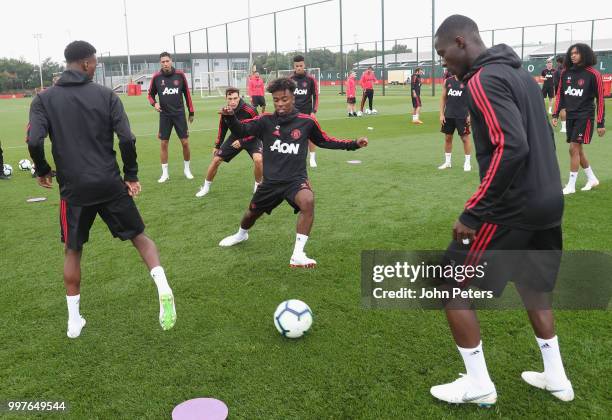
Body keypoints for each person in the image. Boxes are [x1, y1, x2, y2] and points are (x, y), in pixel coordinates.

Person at [432, 15, 573, 406]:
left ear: (461, 42)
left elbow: (511, 147)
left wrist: (474, 212)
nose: (444, 63)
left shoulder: (483, 79)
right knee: (533, 287)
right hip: (547, 201)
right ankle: (557, 378)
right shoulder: (520, 76)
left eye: (444, 54)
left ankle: (479, 385)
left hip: (512, 206)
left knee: (452, 283)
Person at [27, 41, 176, 339]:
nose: (95, 67)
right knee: (140, 238)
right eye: (94, 62)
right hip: (109, 183)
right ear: (84, 63)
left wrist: (42, 170)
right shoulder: (106, 95)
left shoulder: (44, 100)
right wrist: (130, 175)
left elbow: (34, 141)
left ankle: (73, 322)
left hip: (74, 190)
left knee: (73, 250)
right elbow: (127, 139)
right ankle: (162, 286)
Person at [217, 77, 368, 267]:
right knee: (250, 214)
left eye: (284, 99)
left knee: (308, 201)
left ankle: (297, 254)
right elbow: (242, 130)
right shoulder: (265, 121)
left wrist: (353, 144)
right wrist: (230, 117)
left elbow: (324, 140)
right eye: (276, 100)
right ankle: (241, 235)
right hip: (270, 183)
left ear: (293, 97)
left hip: (295, 181)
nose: (280, 104)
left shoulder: (306, 122)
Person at [553, 43, 606, 195]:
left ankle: (571, 185)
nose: (573, 55)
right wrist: (556, 114)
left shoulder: (593, 74)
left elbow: (600, 100)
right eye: (571, 53)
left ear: (585, 55)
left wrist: (600, 123)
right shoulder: (565, 73)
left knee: (573, 148)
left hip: (585, 116)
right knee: (578, 149)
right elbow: (560, 95)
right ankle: (592, 178)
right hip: (570, 115)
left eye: (576, 53)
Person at [196, 87, 263, 197]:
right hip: (235, 138)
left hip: (252, 138)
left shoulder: (250, 110)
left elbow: (259, 129)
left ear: (239, 97)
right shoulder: (225, 110)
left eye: (235, 98)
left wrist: (242, 141)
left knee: (258, 160)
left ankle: (258, 187)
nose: (232, 101)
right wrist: (217, 145)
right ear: (226, 98)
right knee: (216, 159)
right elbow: (222, 129)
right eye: (230, 98)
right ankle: (206, 187)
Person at [147, 52, 195, 183]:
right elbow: (150, 95)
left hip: (179, 114)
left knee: (185, 143)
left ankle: (187, 169)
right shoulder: (156, 77)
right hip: (165, 115)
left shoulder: (180, 75)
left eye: (167, 61)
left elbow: (187, 94)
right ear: (160, 63)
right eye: (163, 62)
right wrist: (155, 103)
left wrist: (191, 112)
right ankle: (165, 173)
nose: (165, 64)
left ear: (171, 61)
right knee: (164, 143)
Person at [289, 55, 319, 168]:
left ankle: (312, 157)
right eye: (297, 66)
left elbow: (316, 96)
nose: (299, 68)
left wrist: (313, 111)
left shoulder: (310, 80)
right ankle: (295, 158)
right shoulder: (290, 79)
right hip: (293, 113)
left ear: (304, 65)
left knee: (310, 135)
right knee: (293, 135)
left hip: (307, 113)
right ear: (294, 66)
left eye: (301, 65)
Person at [438, 72, 472, 171]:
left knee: (465, 139)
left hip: (463, 116)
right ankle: (447, 162)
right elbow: (443, 98)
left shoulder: (468, 81)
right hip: (448, 115)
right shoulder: (447, 81)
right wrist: (441, 114)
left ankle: (467, 163)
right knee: (448, 138)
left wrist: (470, 114)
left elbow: (473, 99)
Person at [553, 56, 568, 132]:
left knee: (563, 109)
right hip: (571, 92)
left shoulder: (556, 71)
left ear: (558, 62)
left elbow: (555, 84)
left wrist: (557, 93)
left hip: (561, 92)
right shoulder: (569, 70)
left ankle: (564, 128)